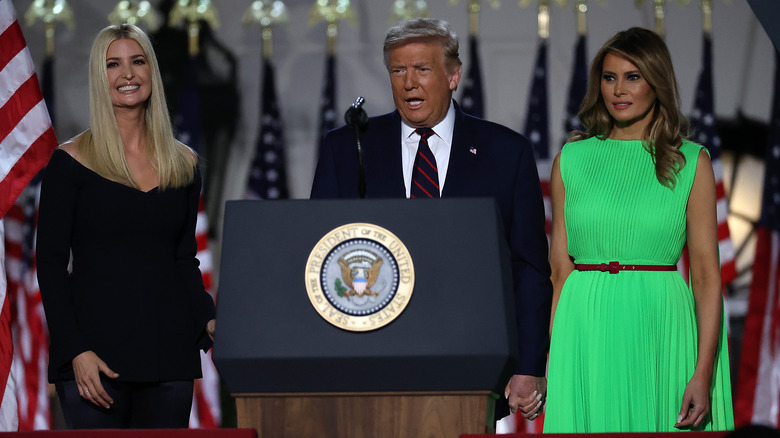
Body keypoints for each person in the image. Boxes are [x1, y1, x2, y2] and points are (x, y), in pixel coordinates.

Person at [310, 18, 552, 420]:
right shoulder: (347, 149)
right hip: (368, 360)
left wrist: (529, 366)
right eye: (398, 70)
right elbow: (319, 253)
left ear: (453, 76)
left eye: (422, 69)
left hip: (472, 359)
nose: (409, 83)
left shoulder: (506, 152)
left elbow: (528, 267)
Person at [543, 27, 733, 432]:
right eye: (609, 78)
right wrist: (550, 360)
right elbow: (559, 270)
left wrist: (703, 372)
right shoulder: (571, 160)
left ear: (656, 82)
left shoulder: (690, 162)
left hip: (660, 327)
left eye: (633, 77)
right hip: (584, 329)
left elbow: (704, 276)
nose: (618, 90)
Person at [36, 24, 216, 429]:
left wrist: (209, 319)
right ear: (100, 78)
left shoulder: (183, 163)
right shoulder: (69, 162)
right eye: (113, 65)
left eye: (137, 61)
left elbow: (183, 259)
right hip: (94, 360)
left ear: (152, 70)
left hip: (169, 355)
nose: (127, 74)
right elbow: (49, 265)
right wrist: (75, 351)